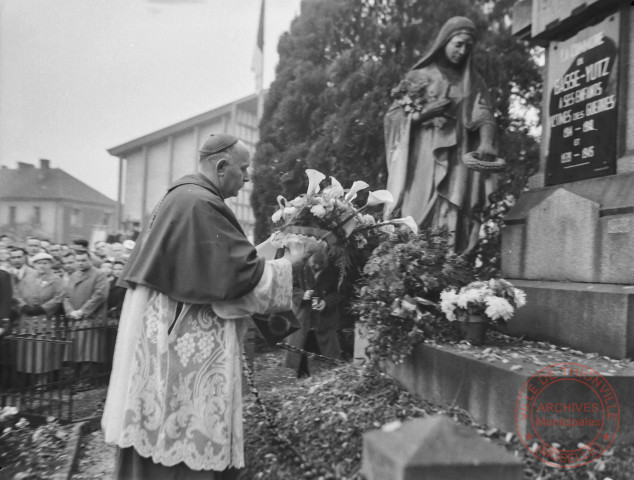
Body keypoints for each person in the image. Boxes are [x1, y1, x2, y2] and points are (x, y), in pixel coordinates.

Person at [102, 133, 307, 480]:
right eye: (244, 169)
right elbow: (236, 282)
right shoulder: (200, 204)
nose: (248, 178)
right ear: (221, 166)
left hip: (164, 337)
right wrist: (294, 263)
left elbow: (220, 269)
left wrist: (271, 247)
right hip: (181, 347)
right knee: (180, 432)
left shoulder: (184, 198)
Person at [384, 16, 497, 253]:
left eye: (468, 46)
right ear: (445, 40)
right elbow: (392, 119)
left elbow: (484, 114)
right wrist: (424, 114)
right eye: (458, 44)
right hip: (422, 161)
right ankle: (410, 270)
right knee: (415, 213)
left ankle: (448, 279)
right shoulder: (419, 75)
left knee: (452, 216)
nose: (462, 50)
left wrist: (486, 142)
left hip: (458, 160)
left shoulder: (473, 81)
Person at [285, 248, 342, 378]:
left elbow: (339, 293)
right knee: (300, 345)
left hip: (323, 318)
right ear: (309, 260)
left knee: (328, 347)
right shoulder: (298, 267)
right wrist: (302, 294)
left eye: (320, 267)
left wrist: (326, 302)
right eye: (314, 266)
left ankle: (333, 375)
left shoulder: (334, 270)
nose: (316, 269)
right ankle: (301, 372)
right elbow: (289, 287)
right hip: (303, 315)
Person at [13, 252, 64, 386]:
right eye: (39, 263)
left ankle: (42, 381)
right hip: (27, 319)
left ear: (50, 264)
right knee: (27, 349)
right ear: (34, 264)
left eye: (45, 263)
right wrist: (23, 306)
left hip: (45, 319)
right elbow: (16, 293)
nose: (42, 266)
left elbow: (59, 297)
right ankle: (28, 380)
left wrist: (43, 308)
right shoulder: (27, 277)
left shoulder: (56, 279)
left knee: (43, 350)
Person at [63, 250, 109, 384]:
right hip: (74, 319)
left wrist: (82, 311)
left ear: (90, 260)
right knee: (74, 351)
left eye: (83, 260)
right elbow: (65, 295)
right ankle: (74, 380)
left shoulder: (99, 275)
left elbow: (99, 295)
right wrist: (70, 310)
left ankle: (85, 381)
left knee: (88, 352)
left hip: (90, 319)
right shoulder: (74, 275)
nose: (81, 263)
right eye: (78, 260)